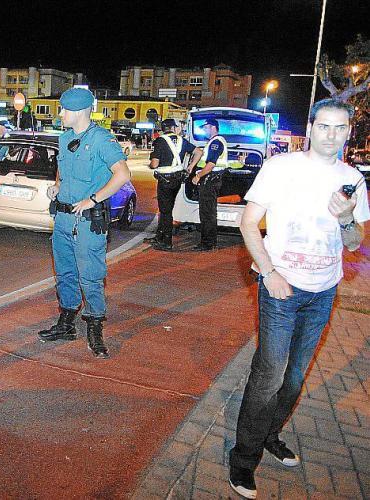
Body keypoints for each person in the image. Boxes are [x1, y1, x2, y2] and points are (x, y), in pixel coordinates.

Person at [228, 98, 369, 499]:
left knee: (294, 377)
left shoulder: (352, 179)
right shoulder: (281, 167)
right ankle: (244, 459)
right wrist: (269, 272)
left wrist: (345, 216)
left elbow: (355, 243)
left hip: (324, 290)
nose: (331, 135)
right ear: (310, 128)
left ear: (348, 132)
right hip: (282, 288)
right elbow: (248, 222)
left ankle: (270, 435)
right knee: (269, 374)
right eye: (324, 126)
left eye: (340, 128)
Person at [38, 87, 131, 359]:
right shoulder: (64, 138)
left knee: (90, 277)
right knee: (65, 274)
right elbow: (62, 170)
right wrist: (57, 186)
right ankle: (66, 322)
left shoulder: (100, 139)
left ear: (79, 111)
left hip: (87, 223)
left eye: (64, 110)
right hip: (63, 219)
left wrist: (94, 199)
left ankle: (94, 327)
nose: (60, 114)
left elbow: (123, 174)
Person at [148, 119, 203, 250]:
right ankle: (159, 236)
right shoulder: (181, 140)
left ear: (163, 129)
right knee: (168, 208)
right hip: (177, 179)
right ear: (173, 128)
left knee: (165, 211)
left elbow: (154, 164)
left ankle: (166, 241)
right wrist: (190, 166)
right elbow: (199, 152)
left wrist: (150, 165)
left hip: (165, 179)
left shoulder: (160, 141)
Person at [189, 117, 228, 251]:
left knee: (207, 212)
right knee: (208, 211)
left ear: (213, 127)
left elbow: (210, 164)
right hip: (211, 180)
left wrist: (198, 176)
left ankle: (208, 243)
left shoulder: (215, 143)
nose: (204, 130)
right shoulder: (214, 142)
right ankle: (209, 242)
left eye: (205, 127)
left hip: (210, 180)